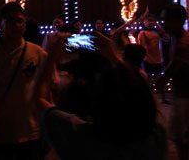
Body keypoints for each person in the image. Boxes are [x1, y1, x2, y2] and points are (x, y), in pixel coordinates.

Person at [32, 31, 167, 160]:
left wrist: (51, 56)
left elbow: (39, 99)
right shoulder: (155, 137)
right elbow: (140, 90)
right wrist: (113, 56)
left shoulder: (82, 136)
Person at [0, 3, 48, 160]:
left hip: (31, 131)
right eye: (10, 21)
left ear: (25, 24)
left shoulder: (37, 53)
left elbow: (46, 90)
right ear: (1, 23)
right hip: (0, 133)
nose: (16, 25)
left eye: (20, 21)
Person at [157, 4, 189, 160]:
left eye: (167, 20)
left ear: (178, 21)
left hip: (186, 96)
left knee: (182, 134)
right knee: (176, 134)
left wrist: (160, 82)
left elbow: (174, 66)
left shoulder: (184, 41)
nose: (164, 24)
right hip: (180, 95)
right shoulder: (176, 39)